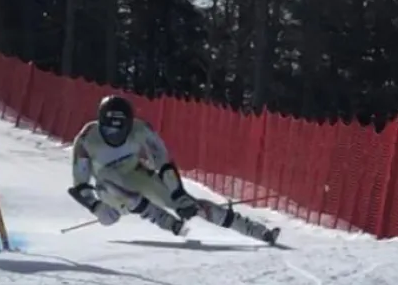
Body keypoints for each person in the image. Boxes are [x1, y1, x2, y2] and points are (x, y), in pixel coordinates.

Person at [67, 94, 280, 245]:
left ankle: (258, 232)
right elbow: (81, 184)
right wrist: (95, 207)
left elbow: (163, 162)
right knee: (108, 179)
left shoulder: (141, 130)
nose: (112, 134)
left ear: (129, 125)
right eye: (107, 128)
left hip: (135, 173)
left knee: (187, 204)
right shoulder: (87, 139)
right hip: (109, 192)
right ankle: (164, 220)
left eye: (119, 129)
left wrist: (179, 195)